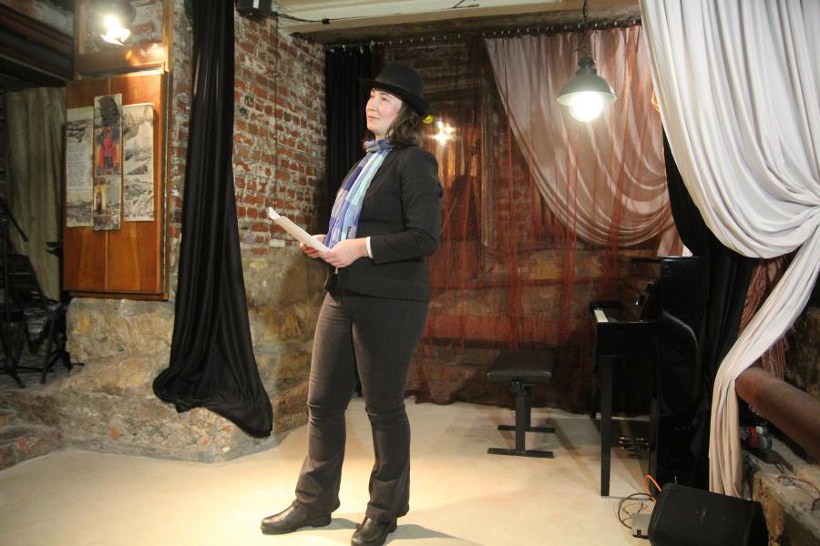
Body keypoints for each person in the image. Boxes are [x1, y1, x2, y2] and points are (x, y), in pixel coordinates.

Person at [260, 63, 443, 546]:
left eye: (385, 99)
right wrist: (327, 241)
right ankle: (314, 502)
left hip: (392, 301)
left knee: (383, 407)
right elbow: (362, 224)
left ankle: (385, 511)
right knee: (322, 402)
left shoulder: (415, 162)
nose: (372, 104)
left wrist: (359, 247)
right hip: (342, 293)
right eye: (372, 95)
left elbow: (425, 237)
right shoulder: (365, 161)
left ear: (405, 114)